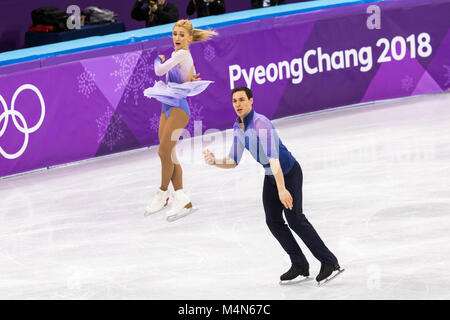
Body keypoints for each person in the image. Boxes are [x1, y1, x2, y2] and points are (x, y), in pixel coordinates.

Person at [203, 87, 341, 283]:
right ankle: (300, 264)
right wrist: (215, 161)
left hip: (287, 173)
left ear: (251, 101)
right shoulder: (238, 127)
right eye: (235, 101)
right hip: (271, 176)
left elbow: (274, 159)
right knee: (273, 221)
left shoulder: (261, 124)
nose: (238, 104)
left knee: (295, 219)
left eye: (242, 99)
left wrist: (282, 189)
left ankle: (329, 261)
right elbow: (233, 160)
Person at [143, 20, 217, 220]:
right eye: (175, 34)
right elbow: (185, 76)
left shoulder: (183, 54)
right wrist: (190, 77)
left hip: (178, 109)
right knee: (169, 154)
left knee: (163, 151)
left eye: (181, 35)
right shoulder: (179, 56)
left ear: (189, 39)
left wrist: (158, 59)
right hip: (167, 106)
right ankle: (181, 197)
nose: (177, 37)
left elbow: (159, 71)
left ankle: (162, 193)